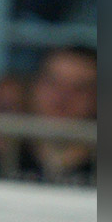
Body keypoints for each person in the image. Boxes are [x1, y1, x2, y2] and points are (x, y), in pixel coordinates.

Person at [17, 45, 96, 186]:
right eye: (52, 83)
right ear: (33, 88)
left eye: (80, 88)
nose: (62, 97)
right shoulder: (1, 162)